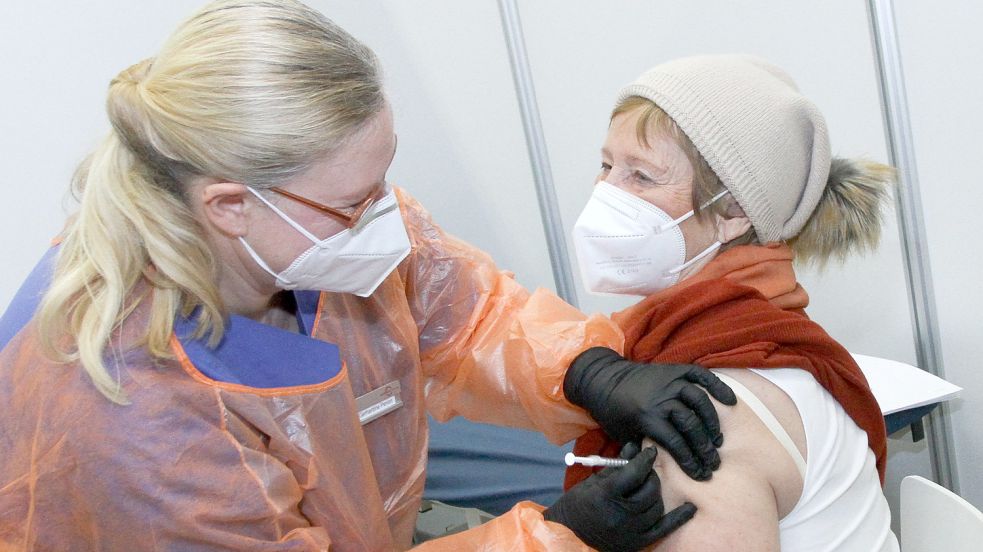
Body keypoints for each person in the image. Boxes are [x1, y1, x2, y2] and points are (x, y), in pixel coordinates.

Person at [0, 2, 739, 550]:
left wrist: (587, 370)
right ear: (228, 205)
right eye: (356, 201)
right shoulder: (134, 416)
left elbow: (468, 313)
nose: (390, 217)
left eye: (384, 180)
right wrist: (548, 538)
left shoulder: (303, 226)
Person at [563, 54, 900, 551]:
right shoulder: (763, 326)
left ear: (733, 212)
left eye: (641, 177)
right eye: (607, 166)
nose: (604, 197)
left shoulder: (700, 415)